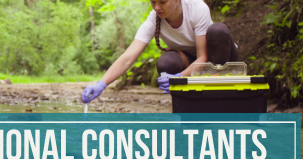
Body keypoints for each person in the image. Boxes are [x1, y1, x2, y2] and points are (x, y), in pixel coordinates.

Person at [81, 0, 239, 103]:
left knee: (217, 30)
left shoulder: (197, 8)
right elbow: (128, 58)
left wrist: (179, 78)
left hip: (218, 58)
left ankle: (222, 102)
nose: (157, 7)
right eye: (153, 2)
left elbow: (203, 57)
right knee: (166, 62)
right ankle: (185, 111)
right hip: (191, 61)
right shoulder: (154, 19)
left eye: (163, 2)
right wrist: (102, 84)